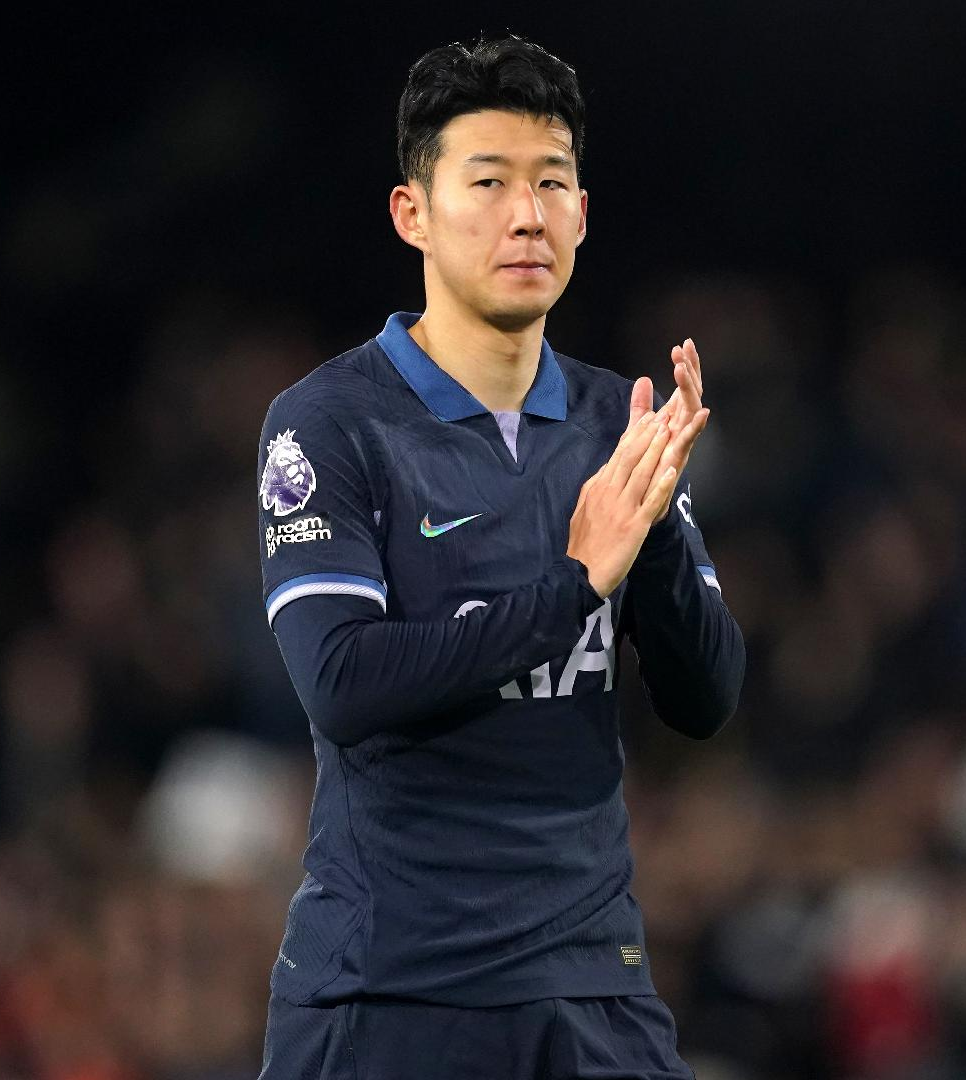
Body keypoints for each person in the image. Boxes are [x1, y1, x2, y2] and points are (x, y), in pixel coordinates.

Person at [254, 34, 744, 1080]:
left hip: (595, 984)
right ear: (413, 214)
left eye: (551, 183)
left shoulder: (618, 421)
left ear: (582, 213)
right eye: (487, 182)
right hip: (395, 990)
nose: (526, 214)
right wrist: (571, 586)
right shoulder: (330, 423)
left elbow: (705, 699)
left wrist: (653, 532)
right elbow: (342, 680)